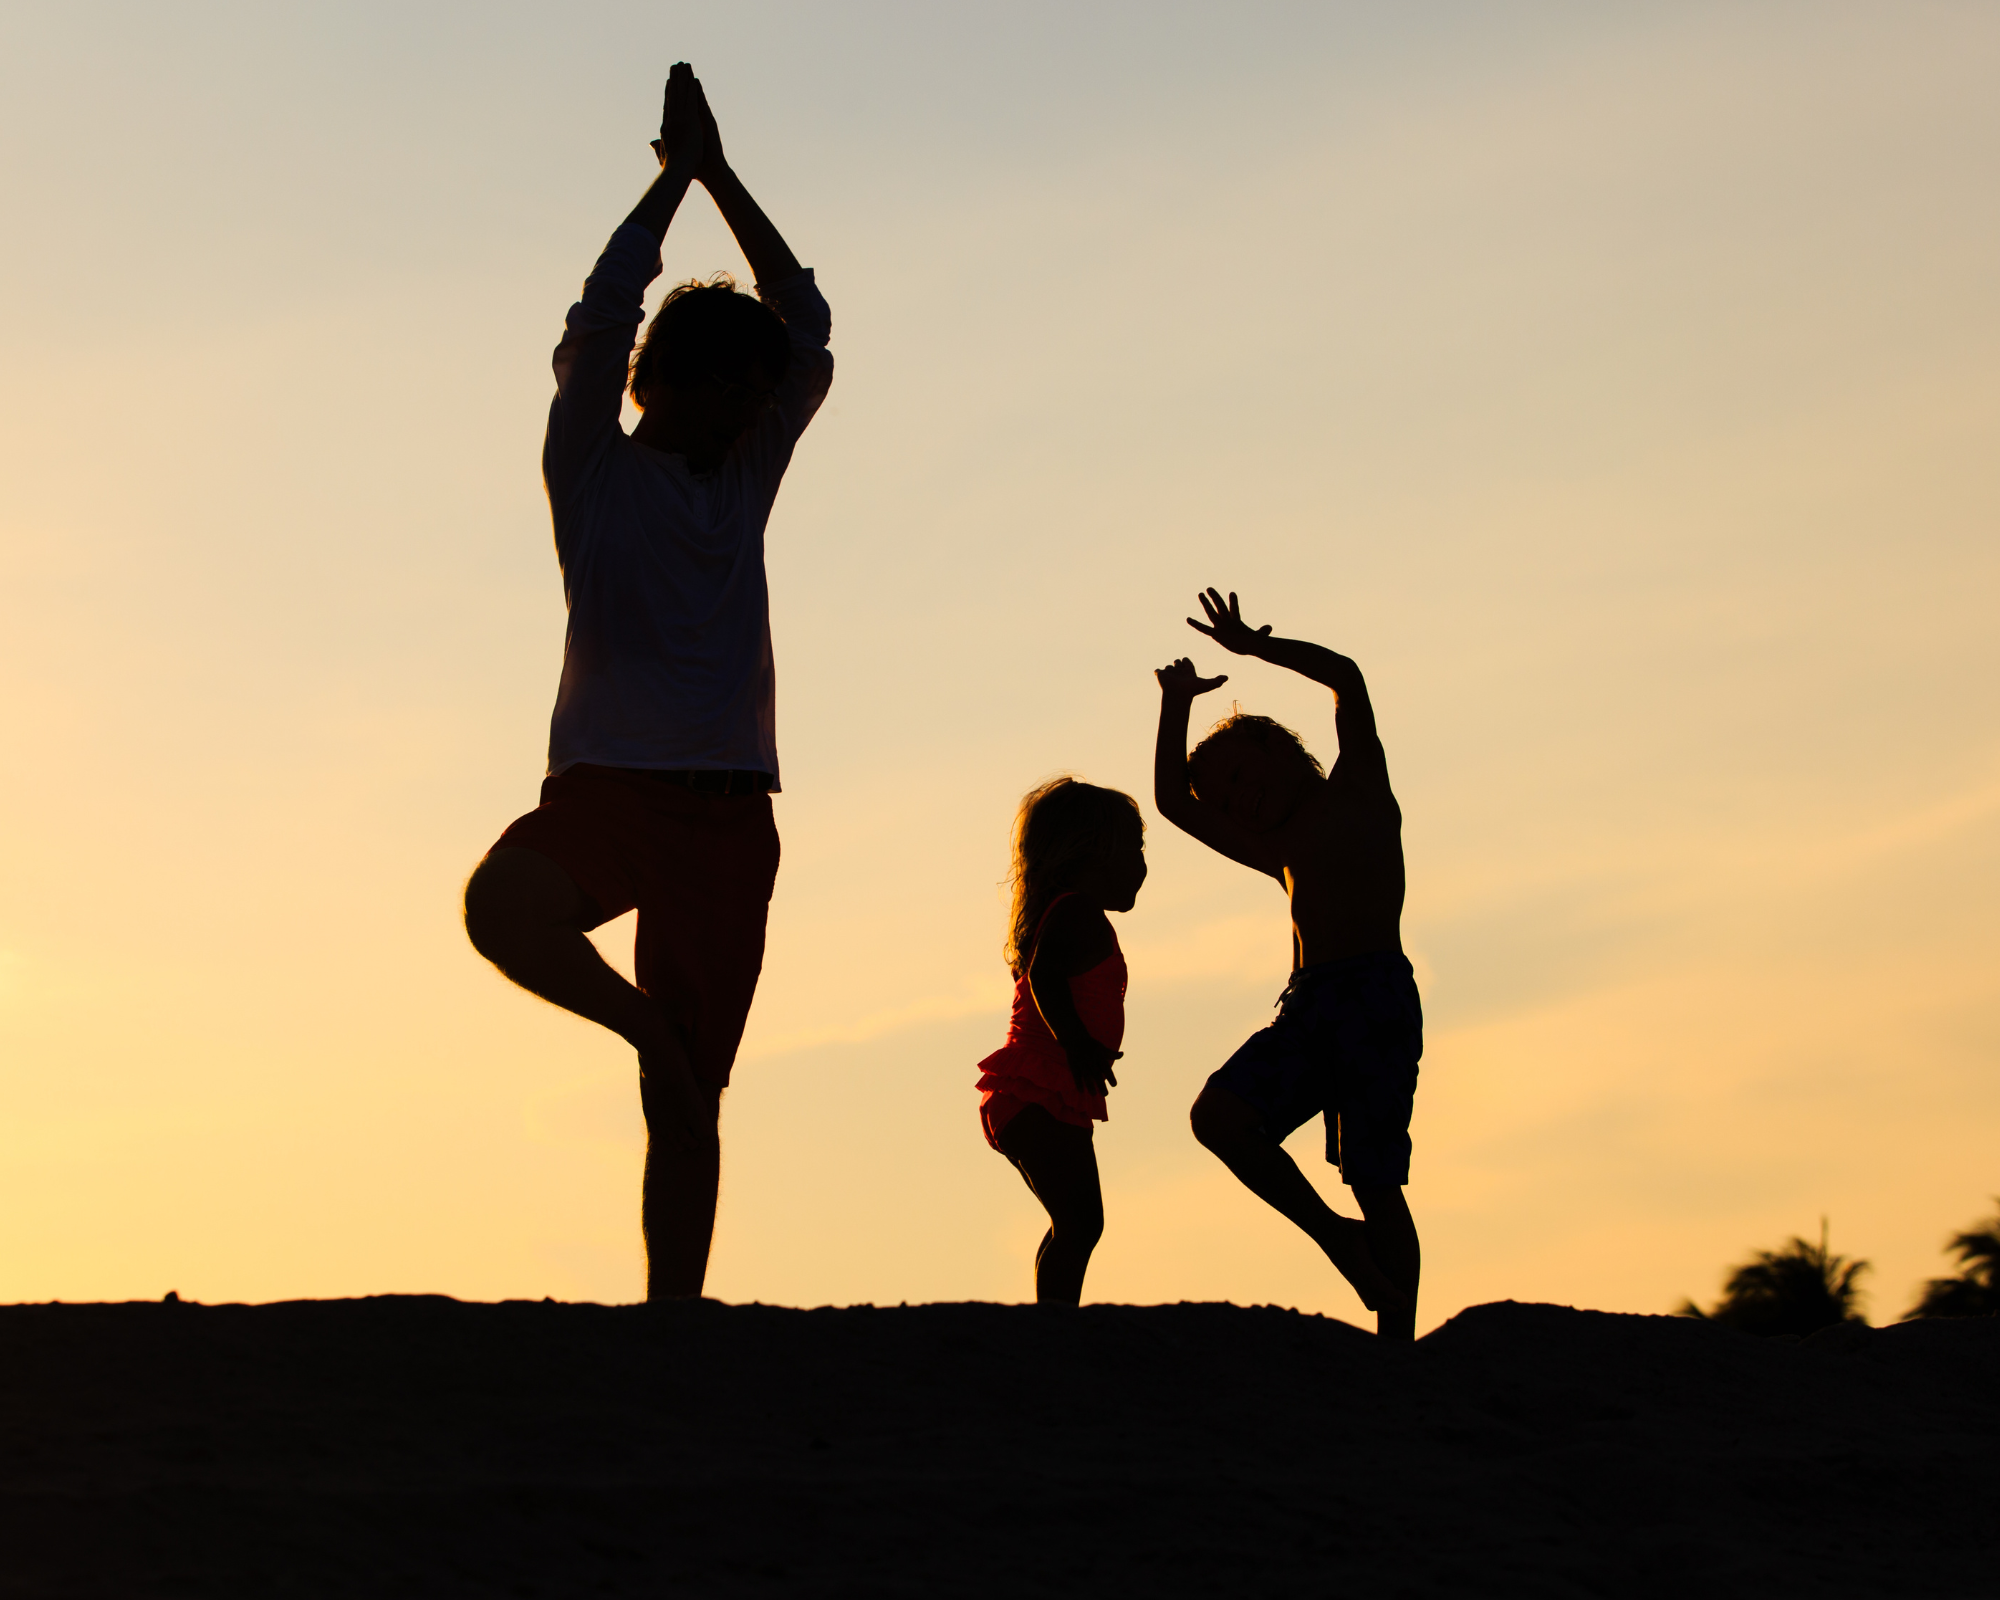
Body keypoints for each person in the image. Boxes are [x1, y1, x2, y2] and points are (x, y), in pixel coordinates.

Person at [461, 63, 833, 1300]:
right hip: (610, 794)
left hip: (730, 818)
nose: (755, 406)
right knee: (501, 907)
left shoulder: (746, 470)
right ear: (667, 379)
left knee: (690, 1112)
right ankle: (642, 1029)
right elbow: (601, 313)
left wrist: (722, 173)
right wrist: (667, 181)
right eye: (734, 386)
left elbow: (805, 324)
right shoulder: (594, 467)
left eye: (758, 392)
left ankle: (673, 1321)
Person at [1154, 589, 1421, 1339]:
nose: (1237, 801)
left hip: (1374, 998)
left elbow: (1348, 677)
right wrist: (1174, 703)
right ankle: (1337, 1239)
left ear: (1280, 748)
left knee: (1375, 1177)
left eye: (1239, 778)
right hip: (1306, 1008)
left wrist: (1253, 649)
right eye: (1228, 801)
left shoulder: (1359, 789)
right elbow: (1174, 802)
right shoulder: (1277, 850)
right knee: (1221, 1117)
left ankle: (1397, 1343)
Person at [975, 778, 1148, 1306]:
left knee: (1076, 1222)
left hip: (1044, 1090)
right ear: (1089, 854)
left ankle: (1054, 1321)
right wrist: (1076, 1044)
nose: (1141, 865)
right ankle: (1055, 1328)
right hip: (1037, 1086)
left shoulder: (1073, 914)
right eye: (1134, 850)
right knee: (1079, 1220)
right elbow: (1045, 980)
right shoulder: (1074, 912)